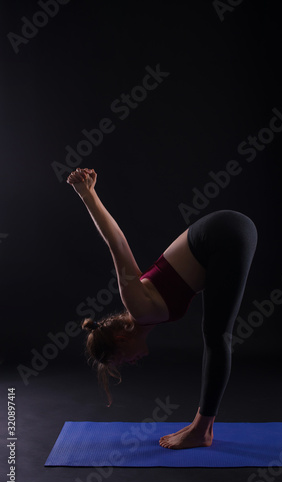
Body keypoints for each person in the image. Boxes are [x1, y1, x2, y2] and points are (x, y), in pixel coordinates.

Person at [67, 167, 258, 450]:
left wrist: (87, 194)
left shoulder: (137, 306)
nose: (131, 363)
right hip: (227, 234)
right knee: (216, 334)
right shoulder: (146, 316)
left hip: (225, 233)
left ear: (120, 339)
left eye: (121, 361)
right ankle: (201, 427)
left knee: (217, 336)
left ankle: (201, 430)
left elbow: (116, 241)